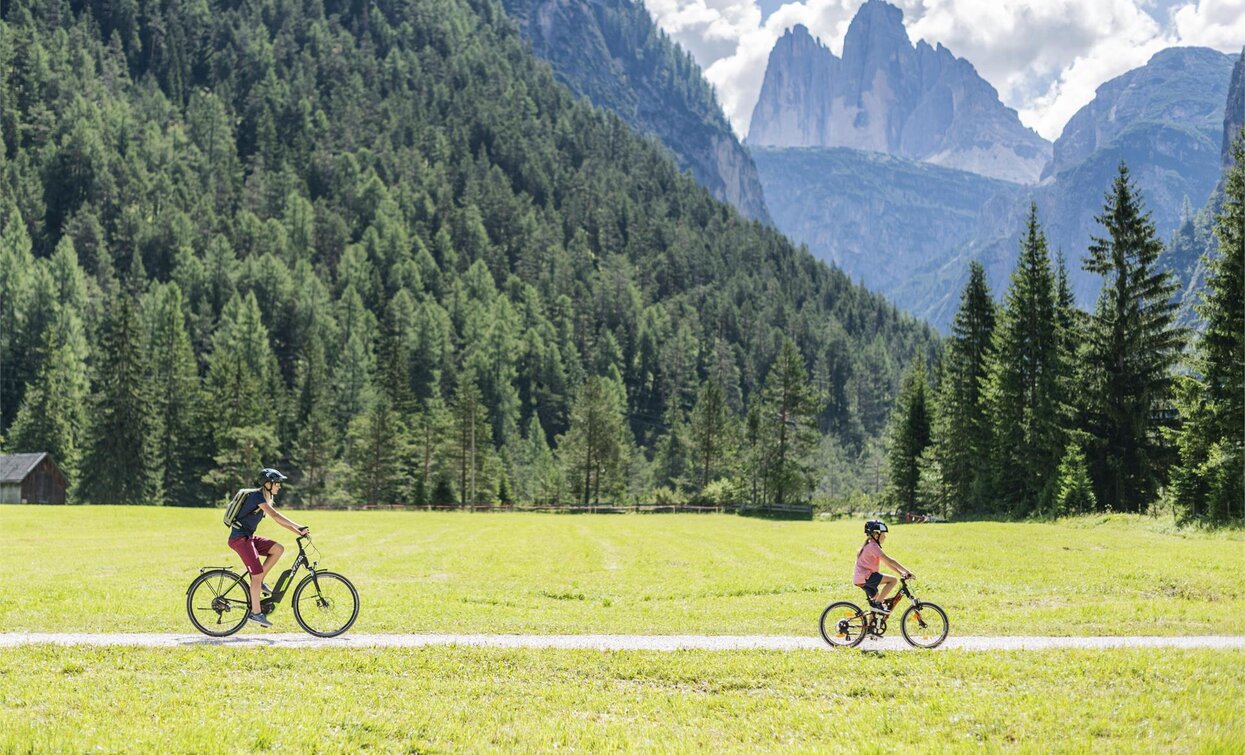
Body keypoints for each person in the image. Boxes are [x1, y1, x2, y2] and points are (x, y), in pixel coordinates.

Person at [227, 468, 309, 628]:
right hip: (240, 539)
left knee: (277, 549)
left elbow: (278, 520)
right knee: (256, 576)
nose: (279, 486)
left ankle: (259, 580)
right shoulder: (257, 496)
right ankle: (255, 613)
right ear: (268, 483)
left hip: (247, 538)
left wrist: (298, 531)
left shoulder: (265, 497)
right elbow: (276, 516)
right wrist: (298, 526)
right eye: (277, 483)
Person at [852, 519, 914, 614]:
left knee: (874, 605)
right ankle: (878, 603)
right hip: (866, 577)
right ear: (876, 535)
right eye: (883, 534)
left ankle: (870, 627)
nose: (884, 537)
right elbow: (890, 560)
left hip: (861, 579)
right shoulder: (873, 546)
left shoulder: (869, 545)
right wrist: (908, 571)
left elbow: (887, 563)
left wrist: (901, 573)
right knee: (893, 580)